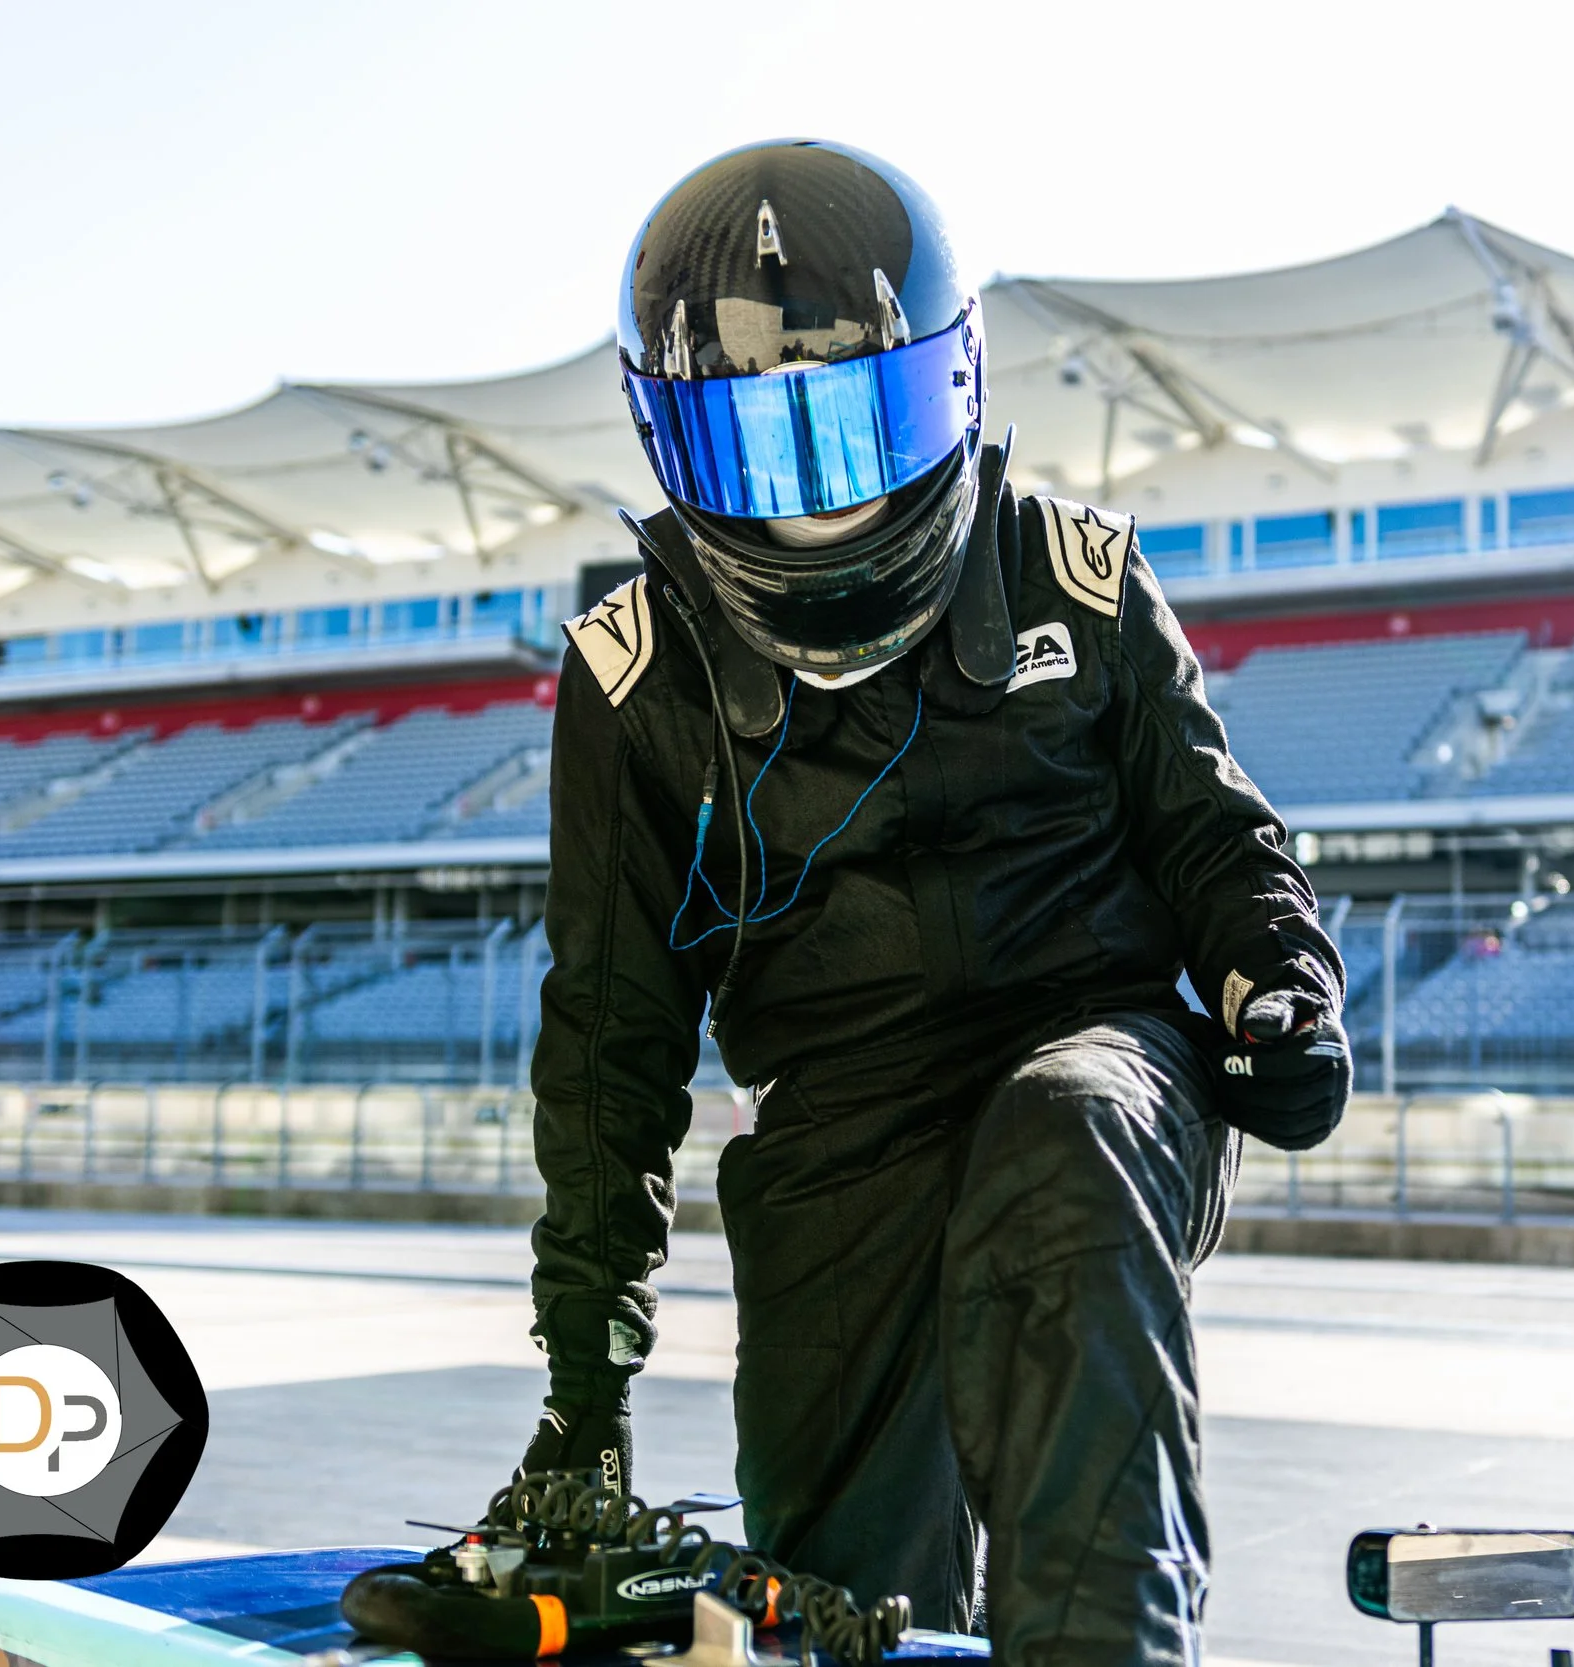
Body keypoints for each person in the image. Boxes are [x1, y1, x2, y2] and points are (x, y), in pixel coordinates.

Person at [519, 138, 1350, 1666]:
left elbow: (1220, 838)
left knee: (1064, 1145)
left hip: (1098, 1044)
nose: (824, 497)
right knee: (846, 1591)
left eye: (854, 429)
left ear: (951, 386)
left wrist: (1280, 980)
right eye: (770, 449)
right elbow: (608, 1045)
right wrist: (585, 1383)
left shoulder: (1078, 577)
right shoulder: (636, 678)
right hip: (841, 1116)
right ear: (674, 447)